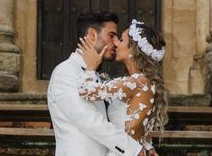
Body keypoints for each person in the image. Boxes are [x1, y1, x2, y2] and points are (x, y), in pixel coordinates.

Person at [47, 10, 146, 156]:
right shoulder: (65, 72)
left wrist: (145, 145)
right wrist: (134, 149)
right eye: (111, 35)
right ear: (92, 35)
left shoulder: (98, 75)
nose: (115, 42)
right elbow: (90, 121)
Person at [78, 18, 167, 153]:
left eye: (120, 40)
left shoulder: (137, 82)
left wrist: (91, 67)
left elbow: (86, 91)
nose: (115, 43)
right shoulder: (141, 81)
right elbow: (141, 124)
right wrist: (148, 147)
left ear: (133, 50)